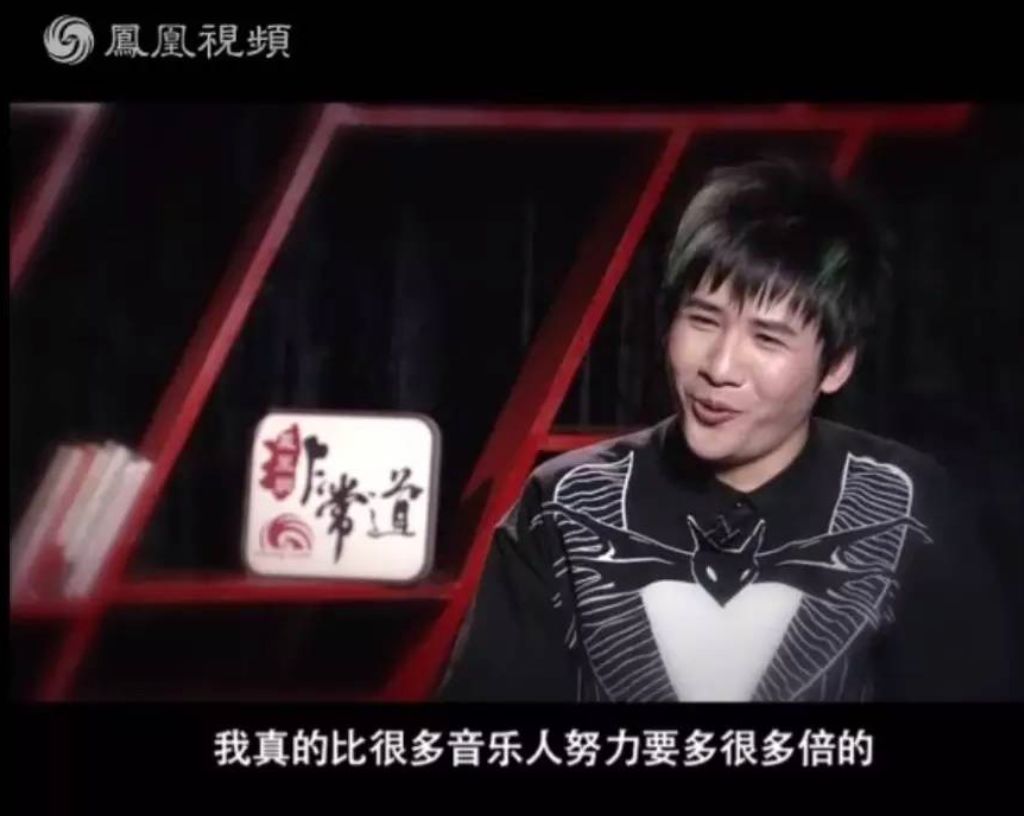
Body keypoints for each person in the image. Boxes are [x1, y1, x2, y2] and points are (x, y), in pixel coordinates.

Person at [438, 158, 1014, 702]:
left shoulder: (904, 504)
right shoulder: (565, 504)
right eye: (703, 320)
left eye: (767, 338)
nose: (720, 366)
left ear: (837, 365)